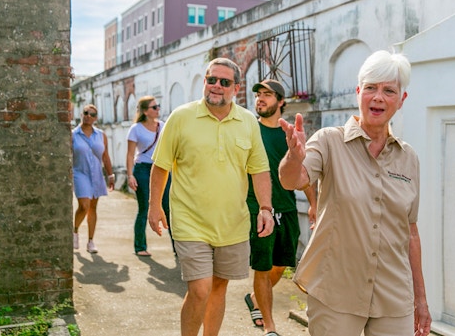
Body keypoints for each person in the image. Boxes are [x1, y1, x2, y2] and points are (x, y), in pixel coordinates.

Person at [278, 50, 432, 336]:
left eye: (389, 90)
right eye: (371, 87)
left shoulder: (408, 157)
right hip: (336, 291)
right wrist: (293, 156)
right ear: (358, 92)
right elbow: (293, 180)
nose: (378, 97)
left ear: (401, 100)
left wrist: (420, 300)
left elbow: (410, 231)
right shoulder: (329, 141)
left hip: (394, 294)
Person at [147, 57, 276, 336]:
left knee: (219, 287)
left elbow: (259, 171)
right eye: (211, 79)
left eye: (224, 82)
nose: (216, 86)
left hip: (232, 223)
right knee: (200, 287)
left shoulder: (248, 123)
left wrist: (265, 208)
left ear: (236, 88)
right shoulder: (181, 117)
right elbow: (161, 166)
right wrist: (154, 206)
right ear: (205, 81)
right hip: (190, 220)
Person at [244, 79, 318, 336]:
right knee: (262, 266)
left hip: (286, 209)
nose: (260, 99)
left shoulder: (290, 134)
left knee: (282, 265)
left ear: (281, 101)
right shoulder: (249, 131)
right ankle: (270, 327)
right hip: (258, 209)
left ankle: (254, 298)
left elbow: (303, 171)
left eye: (267, 95)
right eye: (258, 95)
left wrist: (314, 204)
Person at [126, 96, 173, 257]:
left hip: (162, 169)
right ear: (145, 111)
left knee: (169, 207)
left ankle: (178, 249)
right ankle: (140, 247)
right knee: (145, 208)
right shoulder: (136, 129)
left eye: (158, 106)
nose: (158, 109)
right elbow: (130, 153)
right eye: (154, 107)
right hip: (143, 170)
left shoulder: (163, 126)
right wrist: (130, 175)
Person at [72, 104, 114, 254]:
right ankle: (75, 231)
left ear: (96, 118)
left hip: (96, 173)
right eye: (86, 113)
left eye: (92, 114)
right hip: (79, 173)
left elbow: (105, 156)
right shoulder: (73, 135)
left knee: (93, 207)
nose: (89, 116)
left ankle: (90, 241)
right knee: (84, 205)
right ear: (81, 114)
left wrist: (110, 175)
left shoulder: (101, 135)